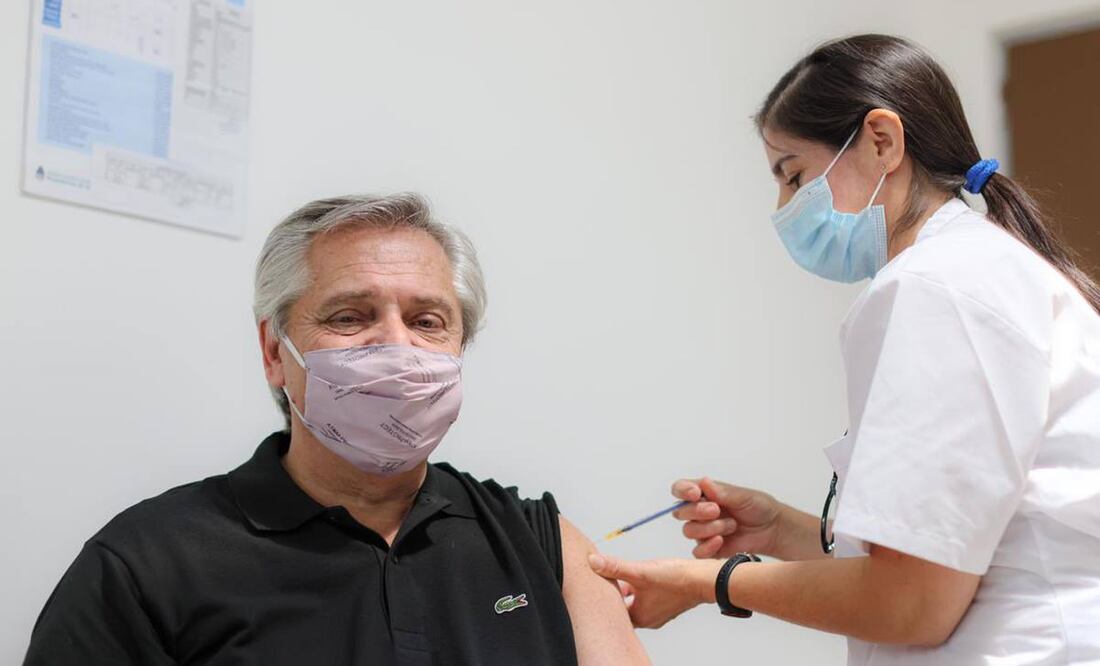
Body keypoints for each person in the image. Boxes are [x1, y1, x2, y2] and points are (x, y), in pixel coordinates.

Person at [588, 34, 1100, 664]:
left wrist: (707, 582)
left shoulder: (934, 289)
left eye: (794, 175)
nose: (783, 208)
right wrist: (784, 529)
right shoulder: (980, 271)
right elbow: (951, 553)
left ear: (882, 141)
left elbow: (913, 603)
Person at [24, 193, 650, 665]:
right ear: (275, 352)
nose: (397, 346)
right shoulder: (145, 565)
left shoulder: (539, 542)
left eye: (428, 321)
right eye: (351, 316)